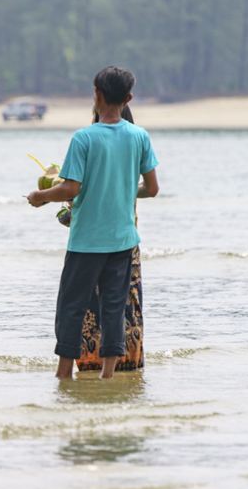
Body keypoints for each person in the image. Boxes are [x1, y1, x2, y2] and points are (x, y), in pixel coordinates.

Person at [27, 66, 159, 380]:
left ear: (96, 95)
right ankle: (108, 375)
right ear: (128, 98)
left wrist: (40, 196)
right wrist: (125, 189)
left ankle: (63, 373)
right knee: (113, 307)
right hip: (123, 240)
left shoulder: (84, 138)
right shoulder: (140, 136)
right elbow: (151, 189)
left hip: (86, 240)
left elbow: (71, 188)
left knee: (72, 306)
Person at [76, 105, 145, 372]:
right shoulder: (132, 151)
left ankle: (92, 366)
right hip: (127, 244)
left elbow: (79, 196)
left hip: (92, 246)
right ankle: (126, 363)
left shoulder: (91, 146)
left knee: (91, 306)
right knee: (126, 305)